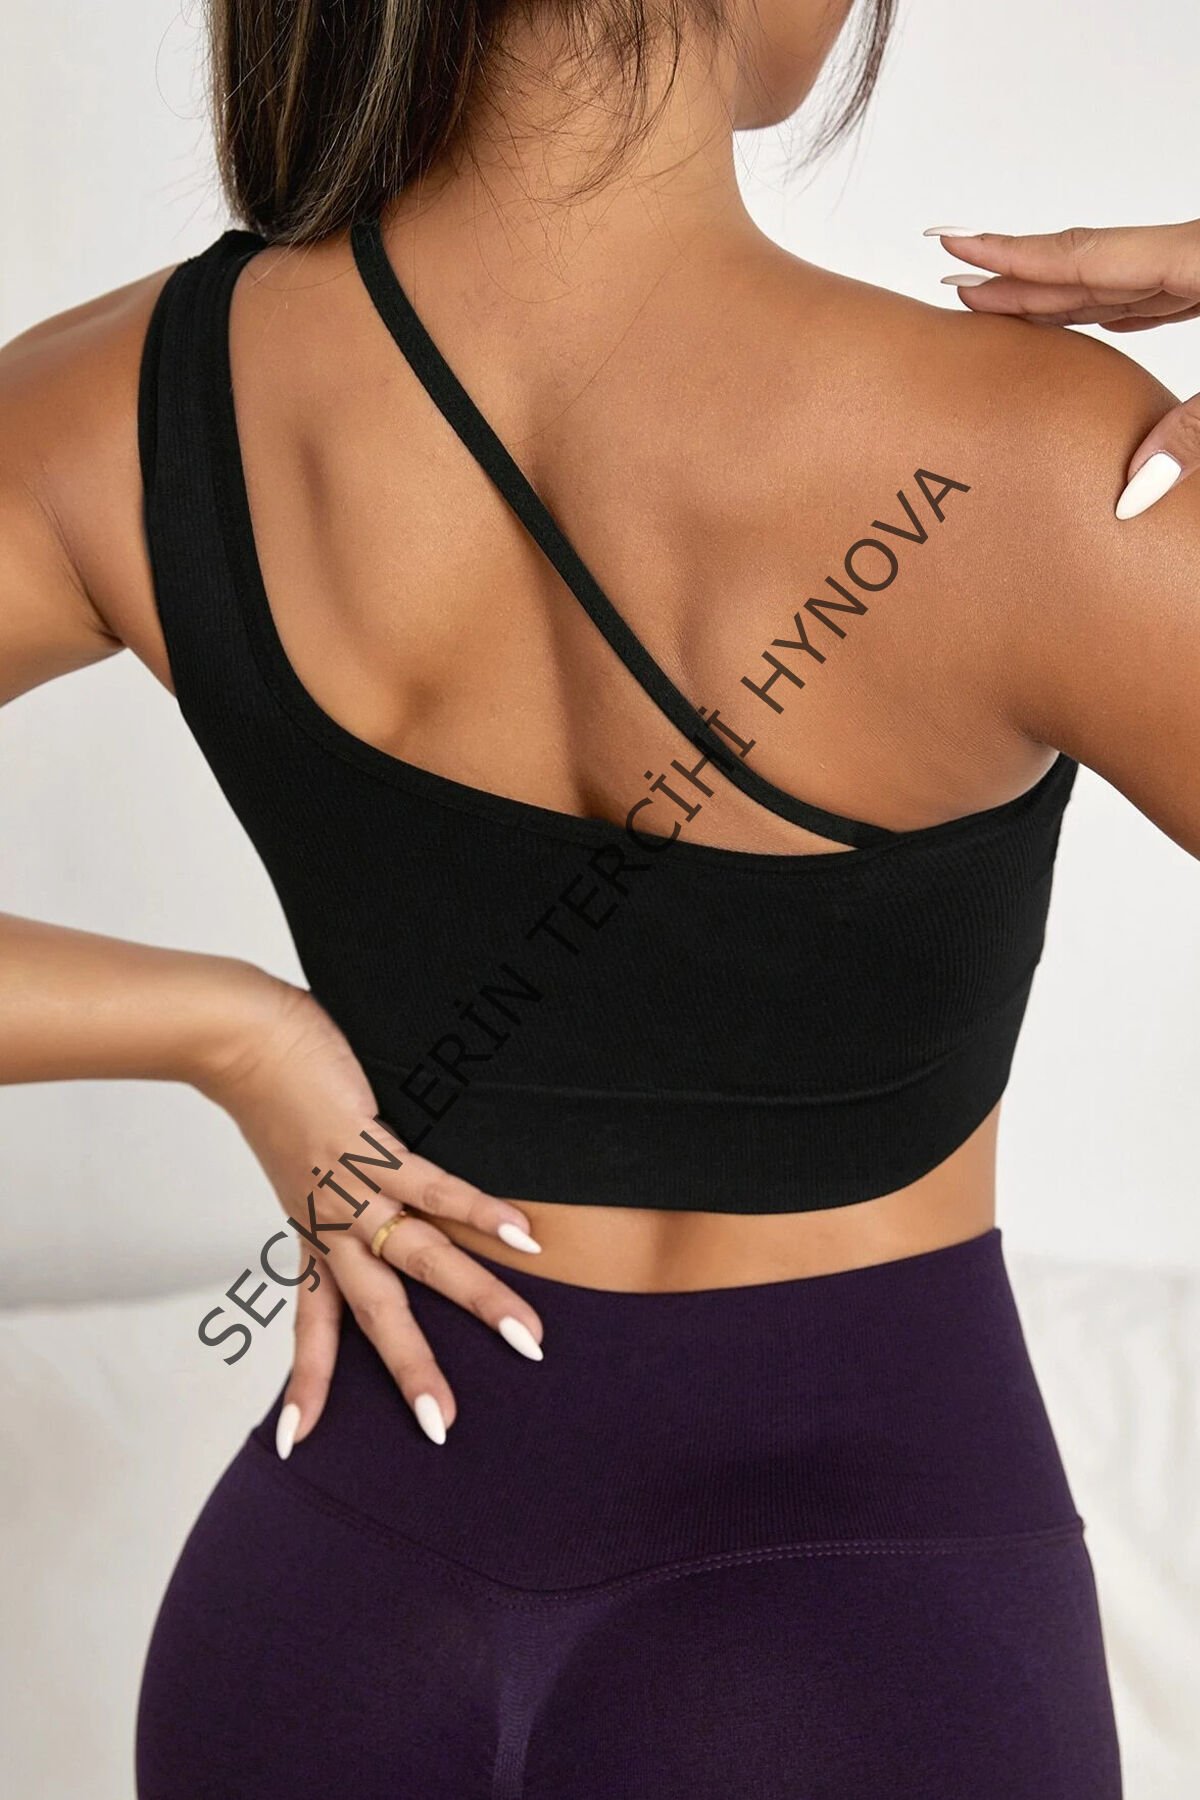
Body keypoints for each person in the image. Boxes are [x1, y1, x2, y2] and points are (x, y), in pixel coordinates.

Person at [1, 1, 1197, 1794]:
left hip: (322, 1618)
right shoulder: (1044, 462)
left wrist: (233, 1035)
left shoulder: (119, 399)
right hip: (861, 1647)